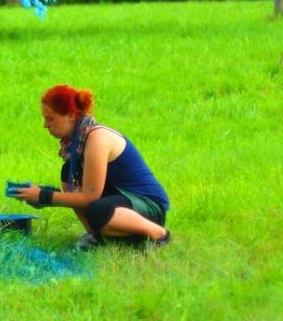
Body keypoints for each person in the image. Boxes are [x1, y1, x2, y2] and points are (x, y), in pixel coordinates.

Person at [13, 85, 171, 250]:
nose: (45, 125)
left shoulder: (97, 139)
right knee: (68, 172)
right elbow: (80, 192)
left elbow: (89, 197)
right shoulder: (78, 141)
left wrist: (44, 196)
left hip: (149, 208)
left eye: (50, 118)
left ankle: (159, 234)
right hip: (123, 201)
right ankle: (95, 235)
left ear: (71, 116)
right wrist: (41, 195)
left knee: (97, 211)